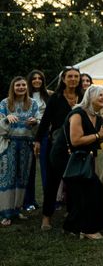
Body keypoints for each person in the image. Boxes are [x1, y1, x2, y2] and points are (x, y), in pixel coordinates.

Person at [62, 85, 103, 239]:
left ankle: (71, 227)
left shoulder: (97, 117)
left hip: (85, 160)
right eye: (100, 94)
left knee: (84, 194)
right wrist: (100, 136)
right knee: (92, 191)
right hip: (71, 160)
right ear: (90, 96)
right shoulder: (78, 114)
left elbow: (95, 136)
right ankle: (88, 230)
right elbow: (76, 140)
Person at [35, 66, 83, 231]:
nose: (73, 79)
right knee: (53, 181)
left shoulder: (83, 97)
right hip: (57, 145)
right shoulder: (55, 98)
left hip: (78, 144)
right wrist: (37, 140)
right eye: (69, 76)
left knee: (74, 181)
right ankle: (46, 218)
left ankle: (72, 213)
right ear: (63, 79)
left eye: (76, 76)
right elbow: (45, 120)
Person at [0, 77, 40, 226]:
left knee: (21, 178)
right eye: (18, 85)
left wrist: (36, 122)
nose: (21, 87)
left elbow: (39, 122)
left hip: (26, 144)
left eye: (23, 85)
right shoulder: (5, 103)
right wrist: (6, 118)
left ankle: (16, 210)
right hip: (9, 144)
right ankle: (5, 213)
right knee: (7, 177)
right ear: (13, 87)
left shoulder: (33, 103)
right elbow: (0, 124)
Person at [24, 69, 51, 211]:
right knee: (29, 169)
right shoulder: (24, 96)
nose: (37, 80)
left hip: (44, 134)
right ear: (30, 80)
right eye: (34, 78)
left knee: (46, 168)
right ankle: (29, 201)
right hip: (28, 134)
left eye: (39, 78)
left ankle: (49, 200)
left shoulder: (48, 95)